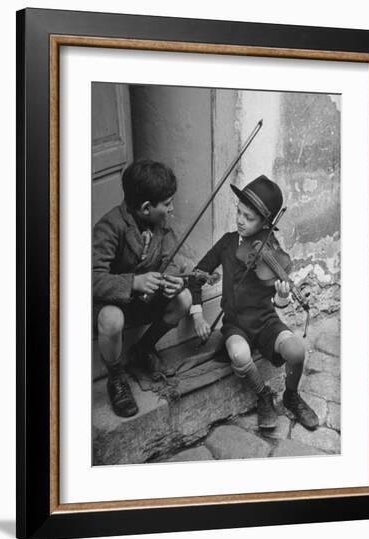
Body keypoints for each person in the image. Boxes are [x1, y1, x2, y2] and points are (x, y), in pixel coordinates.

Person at [188, 175, 319, 430]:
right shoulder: (227, 243)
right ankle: (263, 395)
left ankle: (291, 396)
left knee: (296, 351)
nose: (240, 220)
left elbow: (278, 305)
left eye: (249, 218)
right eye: (239, 212)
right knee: (238, 353)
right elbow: (197, 275)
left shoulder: (271, 249)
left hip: (265, 320)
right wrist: (197, 314)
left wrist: (282, 296)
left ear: (265, 223)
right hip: (236, 324)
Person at [93, 160, 192, 418]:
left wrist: (173, 279)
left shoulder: (161, 224)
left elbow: (172, 258)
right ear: (147, 208)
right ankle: (116, 376)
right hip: (112, 302)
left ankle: (144, 348)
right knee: (111, 319)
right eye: (168, 203)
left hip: (143, 302)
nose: (172, 209)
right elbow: (90, 278)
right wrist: (133, 282)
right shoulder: (109, 227)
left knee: (184, 299)